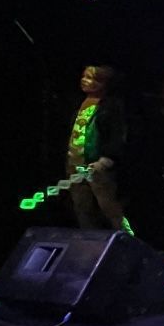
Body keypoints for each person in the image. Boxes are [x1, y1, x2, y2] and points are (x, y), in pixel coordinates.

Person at [65, 65, 129, 232]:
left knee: (109, 206)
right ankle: (90, 243)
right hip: (76, 162)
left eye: (92, 78)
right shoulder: (79, 103)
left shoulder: (111, 106)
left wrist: (106, 159)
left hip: (97, 165)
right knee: (82, 206)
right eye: (84, 76)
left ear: (103, 83)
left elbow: (117, 135)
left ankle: (126, 240)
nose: (85, 81)